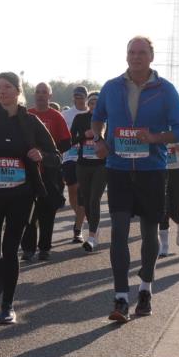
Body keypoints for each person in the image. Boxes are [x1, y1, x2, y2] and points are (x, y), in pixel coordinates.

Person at [90, 36, 179, 322]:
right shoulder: (111, 87)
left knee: (149, 235)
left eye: (141, 52)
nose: (136, 57)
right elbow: (98, 117)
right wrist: (98, 138)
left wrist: (156, 137)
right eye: (131, 52)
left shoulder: (165, 89)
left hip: (151, 171)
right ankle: (121, 297)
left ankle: (145, 287)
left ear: (151, 56)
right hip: (118, 168)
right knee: (119, 232)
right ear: (126, 56)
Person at [0, 72, 57, 324]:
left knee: (10, 249)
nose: (2, 91)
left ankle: (7, 305)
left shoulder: (30, 121)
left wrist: (41, 156)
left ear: (18, 91)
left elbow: (55, 155)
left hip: (21, 194)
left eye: (7, 87)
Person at [20, 82, 71, 261]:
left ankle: (44, 247)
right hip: (28, 172)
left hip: (49, 172)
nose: (40, 95)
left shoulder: (56, 116)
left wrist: (48, 152)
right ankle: (28, 248)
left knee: (47, 212)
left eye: (44, 92)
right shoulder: (27, 115)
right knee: (27, 212)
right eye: (38, 92)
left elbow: (66, 143)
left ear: (50, 96)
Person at [72, 92, 109, 253]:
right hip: (83, 164)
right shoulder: (80, 119)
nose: (94, 105)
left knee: (95, 199)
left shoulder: (108, 119)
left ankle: (92, 236)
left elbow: (114, 141)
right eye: (91, 102)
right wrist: (83, 136)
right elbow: (71, 139)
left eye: (97, 102)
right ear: (88, 104)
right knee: (86, 200)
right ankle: (94, 228)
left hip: (102, 165)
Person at [61, 86, 91, 243]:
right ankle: (79, 215)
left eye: (81, 96)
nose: (79, 98)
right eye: (76, 96)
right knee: (72, 190)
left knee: (82, 191)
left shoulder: (92, 113)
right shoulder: (66, 114)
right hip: (69, 156)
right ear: (73, 98)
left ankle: (78, 225)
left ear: (86, 97)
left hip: (87, 156)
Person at [158, 135, 179, 258]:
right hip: (161, 170)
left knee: (174, 212)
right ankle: (164, 246)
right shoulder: (158, 129)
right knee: (163, 209)